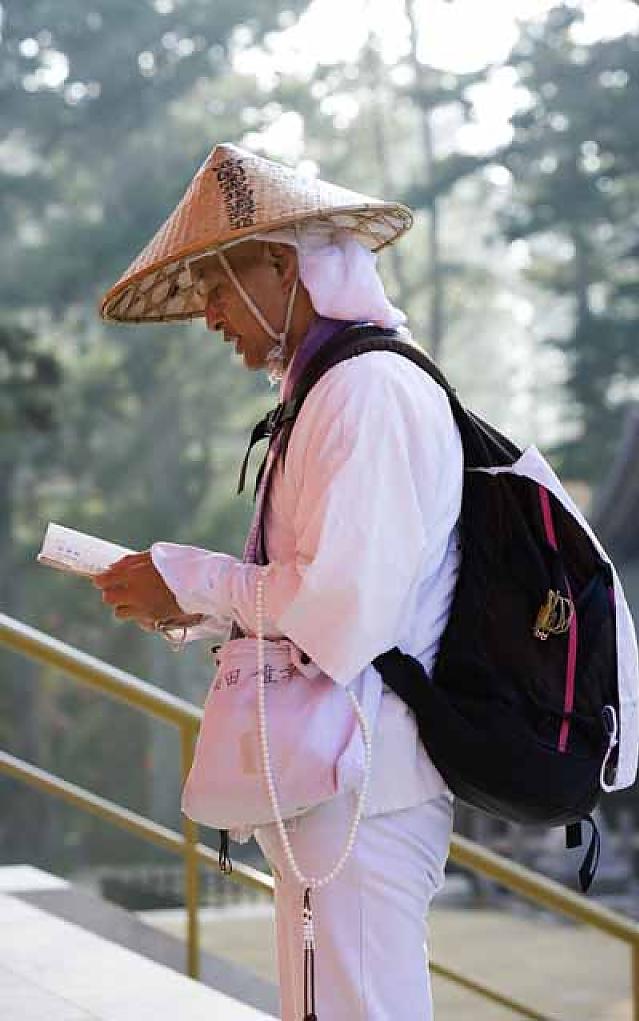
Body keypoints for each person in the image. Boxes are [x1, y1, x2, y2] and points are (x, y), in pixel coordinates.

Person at [95, 143, 463, 1020]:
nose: (208, 314)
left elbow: (342, 610)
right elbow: (311, 591)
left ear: (282, 265)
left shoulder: (366, 390)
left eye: (216, 285)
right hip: (340, 780)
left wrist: (194, 582)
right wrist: (190, 600)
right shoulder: (332, 389)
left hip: (367, 784)